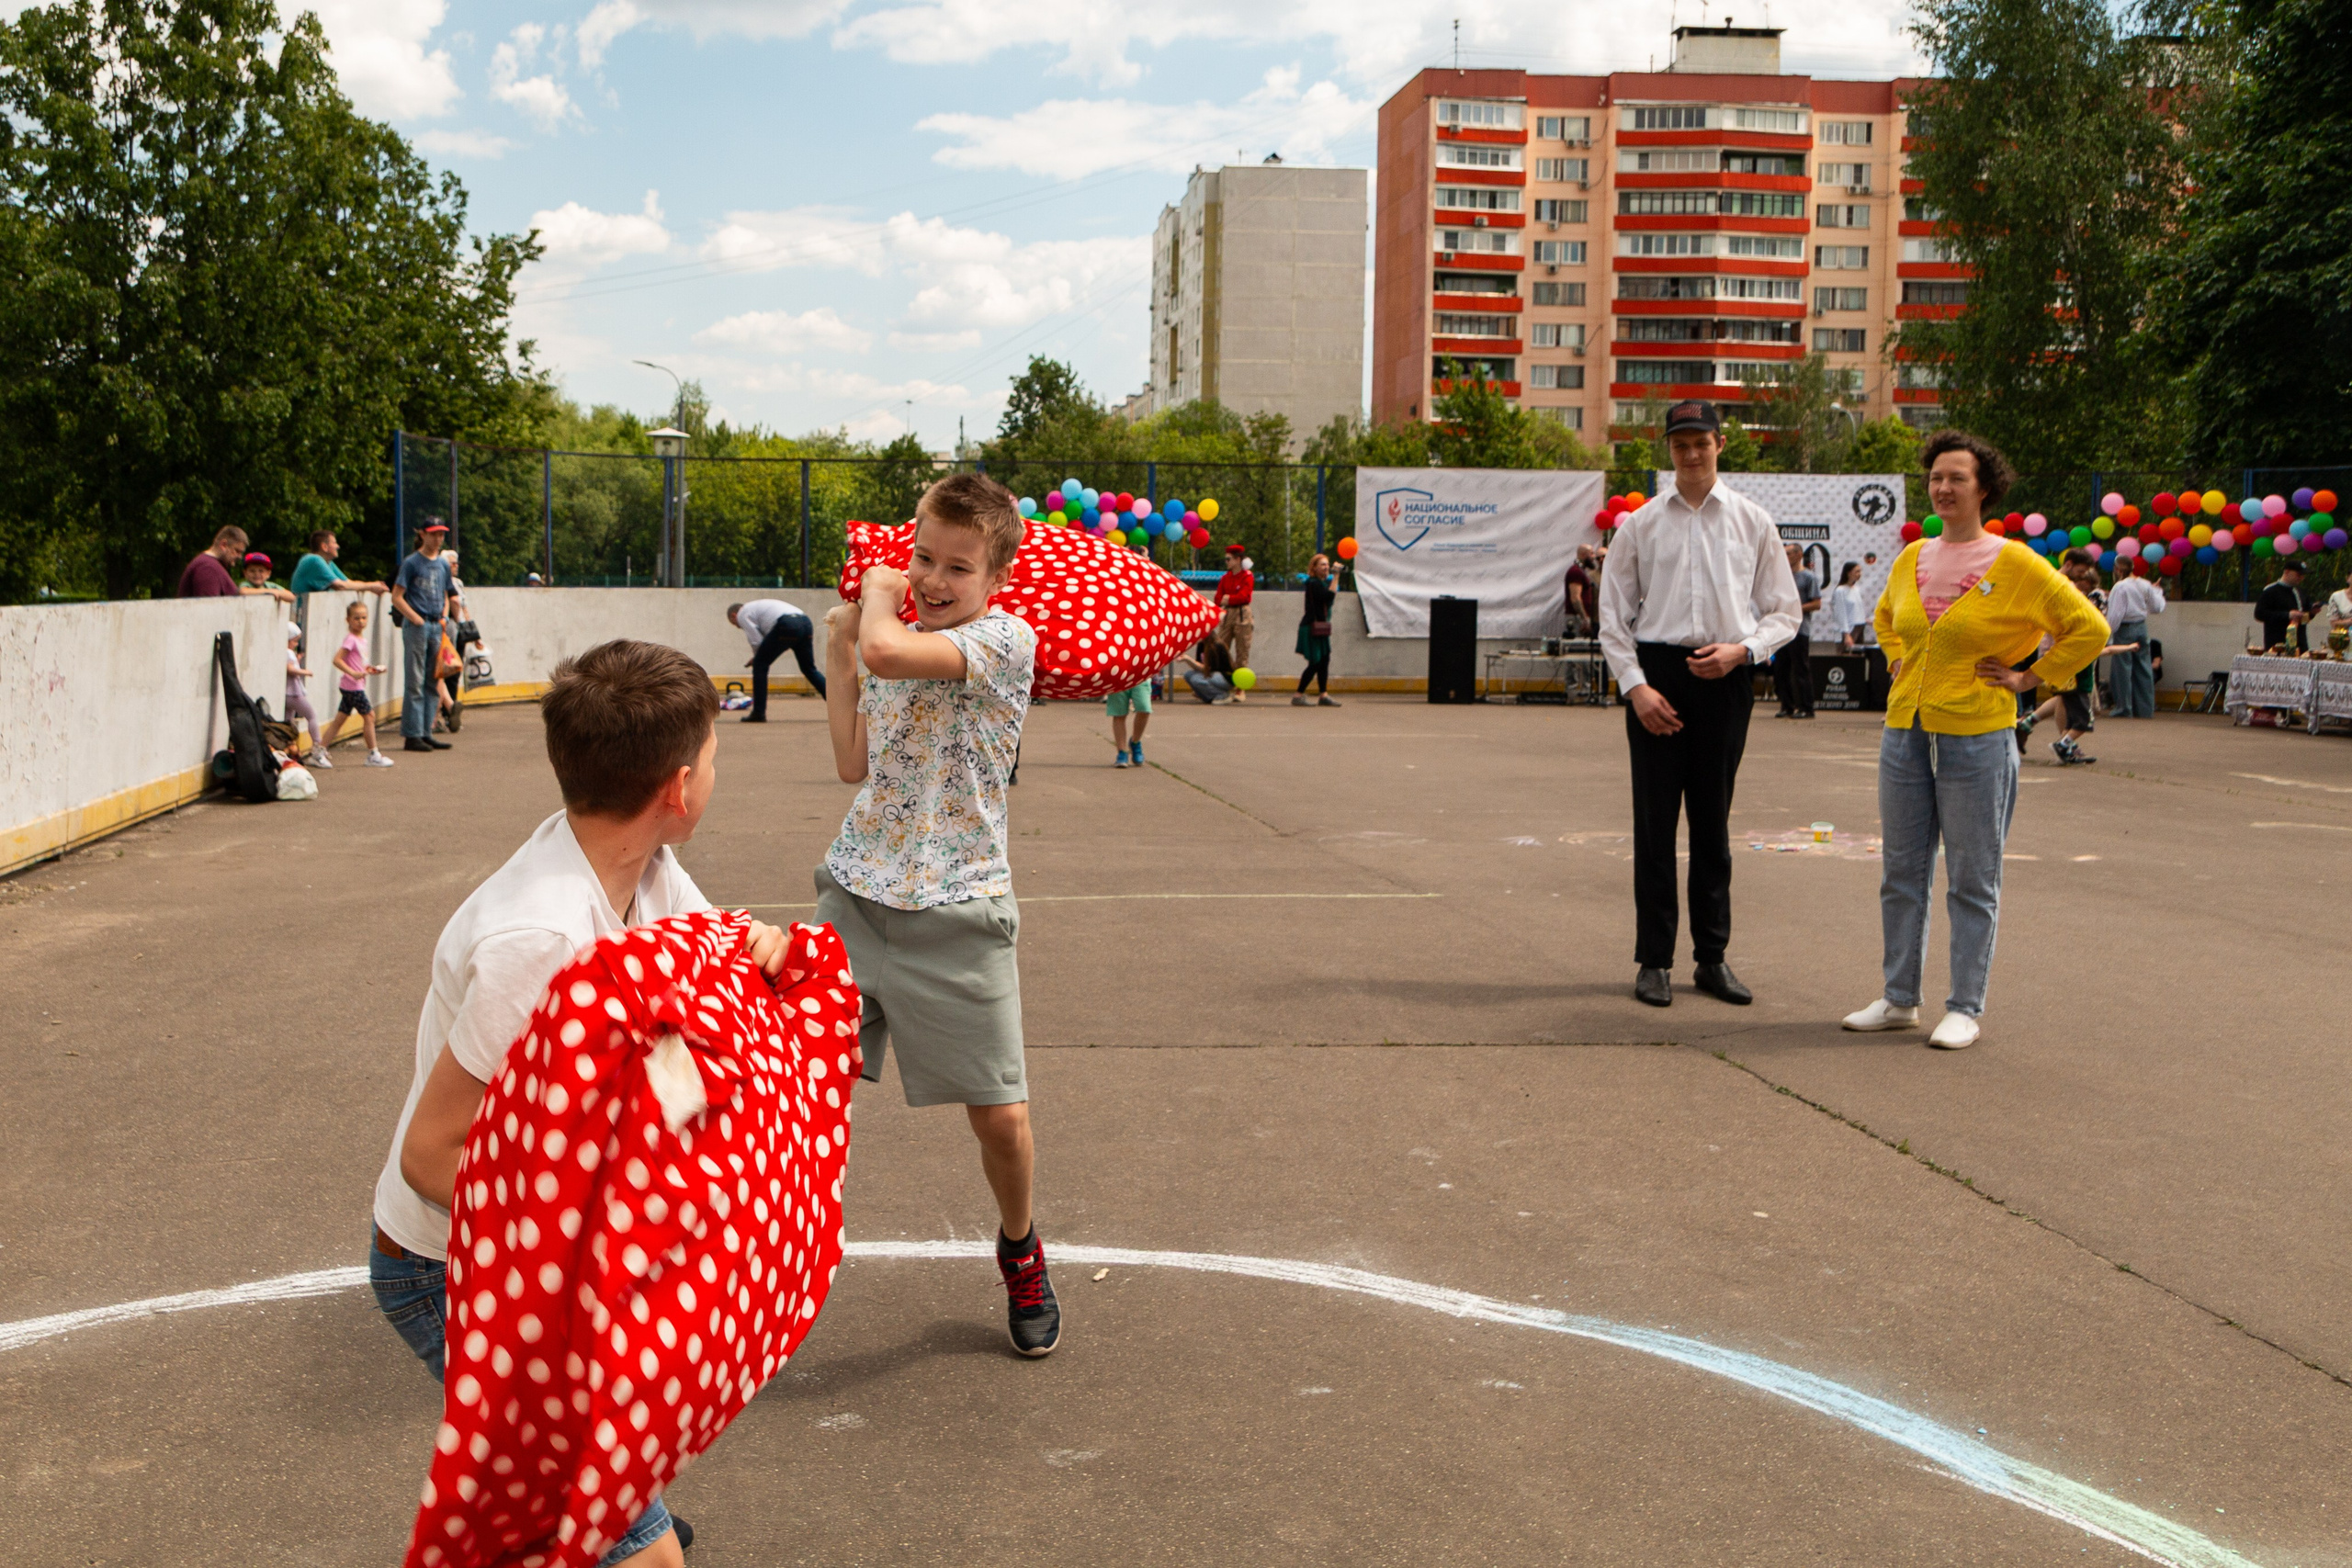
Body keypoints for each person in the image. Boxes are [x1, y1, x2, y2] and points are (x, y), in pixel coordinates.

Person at [369, 639, 790, 1565]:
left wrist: (751, 957)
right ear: (678, 790)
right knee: (644, 1550)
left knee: (605, 1471)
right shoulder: (541, 941)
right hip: (451, 1272)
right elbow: (432, 1154)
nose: (717, 774)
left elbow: (677, 1024)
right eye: (715, 758)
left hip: (532, 1253)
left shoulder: (641, 870)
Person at [816, 473, 1060, 1357]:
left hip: (959, 909)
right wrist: (839, 652)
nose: (931, 578)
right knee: (797, 1091)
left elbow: (887, 651)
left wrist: (872, 609)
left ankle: (1020, 1245)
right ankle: (765, 1255)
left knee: (1000, 1117)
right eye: (921, 557)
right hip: (855, 895)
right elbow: (851, 761)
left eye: (958, 565)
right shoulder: (890, 641)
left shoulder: (1004, 641)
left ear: (996, 574)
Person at [1841, 430, 2108, 1051]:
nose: (1944, 487)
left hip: (1977, 736)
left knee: (1971, 875)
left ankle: (1964, 1004)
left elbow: (2088, 627)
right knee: (1901, 871)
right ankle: (1899, 997)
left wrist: (2028, 677)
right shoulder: (1913, 558)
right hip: (1904, 732)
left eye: (1957, 477)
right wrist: (1897, 658)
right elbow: (1887, 617)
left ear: (1984, 487)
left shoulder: (2014, 562)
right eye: (1936, 477)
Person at [1598, 399, 1802, 1010]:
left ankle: (1711, 957)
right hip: (1658, 675)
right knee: (1656, 826)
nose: (1692, 453)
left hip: (1725, 677)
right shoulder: (1640, 525)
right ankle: (1653, 960)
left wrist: (1743, 651)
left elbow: (1784, 613)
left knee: (1712, 825)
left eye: (1702, 442)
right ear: (1669, 449)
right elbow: (1613, 618)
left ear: (1720, 445)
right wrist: (1636, 687)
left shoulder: (1752, 521)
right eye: (1681, 443)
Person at [390, 520, 453, 752]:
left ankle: (426, 730)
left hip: (436, 624)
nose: (438, 539)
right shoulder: (412, 562)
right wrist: (414, 617)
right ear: (423, 535)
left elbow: (446, 593)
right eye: (433, 534)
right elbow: (397, 596)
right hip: (418, 626)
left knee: (432, 680)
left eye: (441, 535)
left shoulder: (443, 564)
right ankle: (412, 734)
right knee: (415, 681)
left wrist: (444, 616)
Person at [319, 598, 394, 766]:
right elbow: (337, 660)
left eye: (364, 617)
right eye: (356, 618)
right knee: (369, 715)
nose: (361, 622)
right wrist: (352, 673)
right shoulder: (351, 639)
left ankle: (319, 750)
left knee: (340, 719)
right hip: (352, 687)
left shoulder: (361, 640)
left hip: (353, 685)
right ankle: (373, 754)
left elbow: (359, 664)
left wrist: (371, 670)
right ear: (348, 620)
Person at [728, 598, 827, 719]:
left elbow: (756, 640)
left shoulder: (742, 614)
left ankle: (758, 713)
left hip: (786, 624)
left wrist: (757, 658)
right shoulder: (756, 608)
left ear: (733, 616)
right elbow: (769, 640)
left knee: (760, 665)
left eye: (734, 624)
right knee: (809, 669)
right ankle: (837, 704)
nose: (738, 626)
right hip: (805, 622)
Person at [2104, 563, 2165, 717]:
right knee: (2144, 668)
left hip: (2124, 628)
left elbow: (2116, 614)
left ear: (2118, 570)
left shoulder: (2120, 587)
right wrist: (2157, 591)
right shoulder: (2145, 584)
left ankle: (2124, 708)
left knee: (2122, 669)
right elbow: (2157, 607)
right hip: (2141, 627)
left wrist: (2109, 633)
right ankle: (2145, 710)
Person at [1773, 543, 1822, 719]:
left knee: (1800, 669)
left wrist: (1795, 608)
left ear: (1798, 555)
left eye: (1788, 554)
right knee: (1781, 669)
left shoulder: (1809, 577)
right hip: (1781, 629)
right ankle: (1787, 705)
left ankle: (1806, 707)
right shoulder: (1782, 577)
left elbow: (1816, 603)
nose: (1785, 557)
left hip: (1800, 629)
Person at [1293, 551, 1340, 706]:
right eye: (1322, 565)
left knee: (1324, 660)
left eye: (1327, 564)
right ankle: (1298, 695)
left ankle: (1323, 695)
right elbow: (1328, 597)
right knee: (1315, 662)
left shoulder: (1321, 583)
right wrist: (1336, 576)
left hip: (1320, 627)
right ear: (1314, 567)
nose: (1326, 567)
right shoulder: (1313, 583)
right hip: (1311, 627)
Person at [288, 529, 388, 600]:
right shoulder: (314, 560)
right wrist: (371, 586)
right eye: (334, 543)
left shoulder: (328, 563)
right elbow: (341, 586)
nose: (338, 546)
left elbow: (348, 583)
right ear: (324, 546)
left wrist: (374, 585)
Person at [283, 621, 329, 767]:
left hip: (286, 693)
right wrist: (305, 672)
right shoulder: (288, 652)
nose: (296, 644)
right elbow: (290, 669)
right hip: (295, 692)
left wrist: (298, 661)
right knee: (311, 715)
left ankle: (288, 749)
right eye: (294, 641)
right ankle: (317, 747)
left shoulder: (285, 653)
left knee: (287, 722)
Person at [1214, 544, 1255, 699]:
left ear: (1238, 559)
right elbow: (1218, 598)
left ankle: (1240, 687)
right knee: (1220, 648)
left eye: (1229, 559)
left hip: (1242, 614)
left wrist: (1228, 598)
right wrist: (1228, 599)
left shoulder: (1247, 576)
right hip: (1227, 615)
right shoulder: (1226, 578)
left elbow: (1245, 597)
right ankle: (1219, 683)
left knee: (1242, 650)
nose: (1226, 562)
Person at [177, 527, 248, 597]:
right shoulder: (207, 568)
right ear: (223, 545)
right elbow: (209, 606)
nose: (240, 556)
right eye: (237, 551)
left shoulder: (212, 565)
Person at [2256, 560, 2307, 652]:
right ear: (2287, 572)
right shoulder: (2271, 591)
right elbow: (2260, 614)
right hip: (2278, 644)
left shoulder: (2299, 591)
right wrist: (2287, 615)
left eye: (2303, 575)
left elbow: (2305, 613)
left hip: (2299, 644)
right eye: (2298, 574)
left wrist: (2312, 612)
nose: (2301, 578)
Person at [1176, 635, 1236, 704]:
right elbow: (1198, 666)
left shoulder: (1216, 646)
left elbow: (1207, 669)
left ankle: (1222, 695)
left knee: (1196, 679)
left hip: (1223, 677)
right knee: (1188, 675)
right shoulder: (1201, 645)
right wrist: (1186, 659)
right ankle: (1208, 698)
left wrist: (1188, 659)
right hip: (1212, 674)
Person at [1106, 677, 1151, 766]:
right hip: (1118, 676)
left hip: (1141, 675)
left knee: (1144, 708)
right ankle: (1122, 752)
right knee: (1119, 713)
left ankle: (1135, 742)